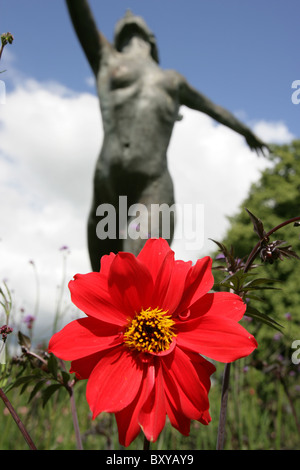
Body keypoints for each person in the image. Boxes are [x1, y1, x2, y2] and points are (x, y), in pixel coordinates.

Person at [65, 1, 268, 271]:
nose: (128, 18)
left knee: (138, 273)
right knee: (102, 284)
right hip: (106, 184)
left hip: (151, 185)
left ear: (152, 40)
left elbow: (214, 109)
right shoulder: (107, 59)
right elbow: (80, 15)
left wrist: (247, 132)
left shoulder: (172, 80)